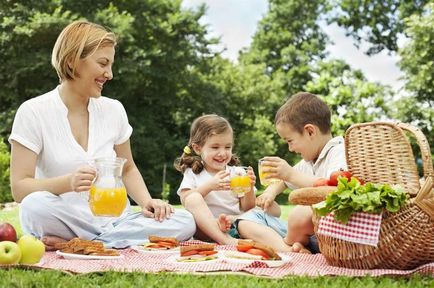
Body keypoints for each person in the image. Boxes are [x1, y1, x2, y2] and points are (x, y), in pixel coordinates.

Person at [8, 20, 195, 250]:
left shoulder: (113, 109)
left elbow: (128, 168)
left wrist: (147, 202)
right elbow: (19, 188)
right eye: (103, 64)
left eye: (111, 65)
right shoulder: (34, 112)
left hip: (117, 220)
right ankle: (104, 241)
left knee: (185, 221)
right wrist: (68, 182)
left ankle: (87, 244)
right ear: (72, 61)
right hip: (63, 218)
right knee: (33, 206)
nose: (110, 74)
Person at [235, 92, 347, 253]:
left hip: (330, 235)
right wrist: (269, 193)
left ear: (310, 131)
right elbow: (284, 181)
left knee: (300, 214)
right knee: (246, 220)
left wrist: (291, 174)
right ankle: (292, 248)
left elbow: (334, 188)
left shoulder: (339, 152)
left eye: (290, 141)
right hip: (305, 235)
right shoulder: (309, 160)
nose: (290, 148)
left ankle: (288, 246)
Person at [174, 114, 271, 245]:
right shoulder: (192, 173)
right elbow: (186, 200)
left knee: (264, 212)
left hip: (234, 225)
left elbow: (247, 207)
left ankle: (276, 241)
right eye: (215, 147)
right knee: (193, 198)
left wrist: (249, 188)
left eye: (227, 147)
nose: (222, 153)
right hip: (205, 229)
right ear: (198, 148)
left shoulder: (237, 173)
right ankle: (224, 239)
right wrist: (210, 186)